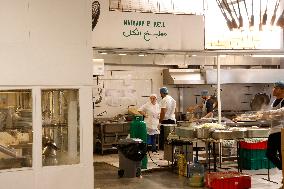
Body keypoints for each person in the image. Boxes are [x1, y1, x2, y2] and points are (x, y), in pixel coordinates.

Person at [261, 81, 284, 171]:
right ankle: (283, 169)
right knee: (270, 154)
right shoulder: (274, 101)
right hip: (274, 130)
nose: (273, 90)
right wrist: (265, 116)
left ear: (282, 90)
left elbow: (282, 111)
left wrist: (268, 113)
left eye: (276, 88)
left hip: (281, 130)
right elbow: (273, 116)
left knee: (282, 155)